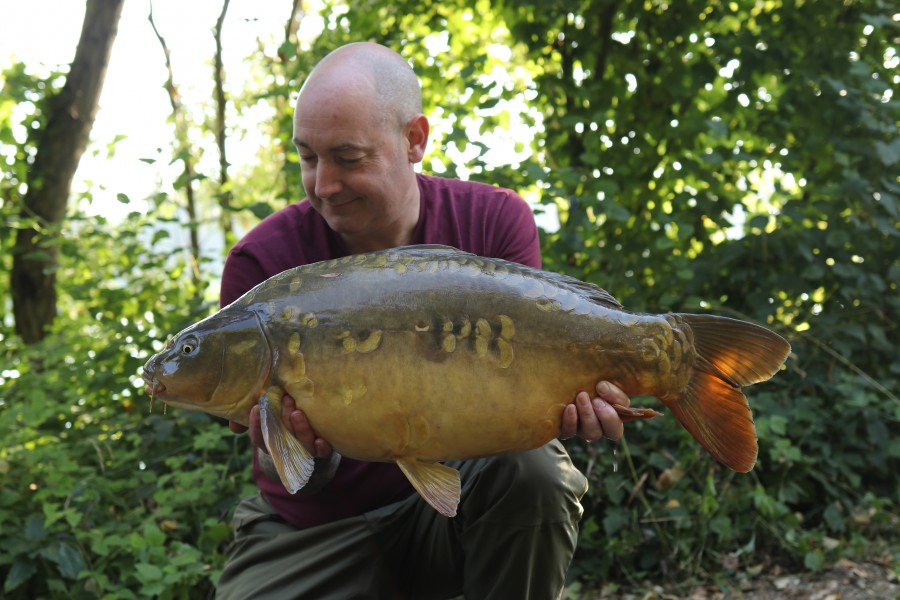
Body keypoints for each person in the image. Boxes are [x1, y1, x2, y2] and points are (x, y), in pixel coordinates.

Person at [215, 42, 633, 600]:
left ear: (415, 140)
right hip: (314, 529)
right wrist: (295, 444)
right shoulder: (262, 264)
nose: (323, 185)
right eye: (308, 157)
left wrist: (570, 409)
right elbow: (283, 462)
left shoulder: (492, 222)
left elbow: (528, 401)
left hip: (455, 508)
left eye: (348, 156)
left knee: (536, 472)